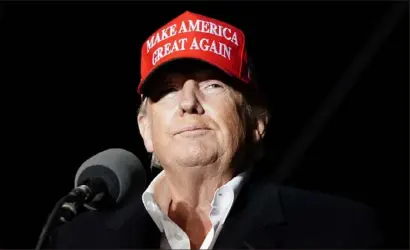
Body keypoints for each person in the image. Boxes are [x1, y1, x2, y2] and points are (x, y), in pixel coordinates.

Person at [45, 11, 384, 249]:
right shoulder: (77, 240)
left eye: (213, 85)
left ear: (257, 123)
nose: (188, 102)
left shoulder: (342, 231)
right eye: (167, 90)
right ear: (145, 130)